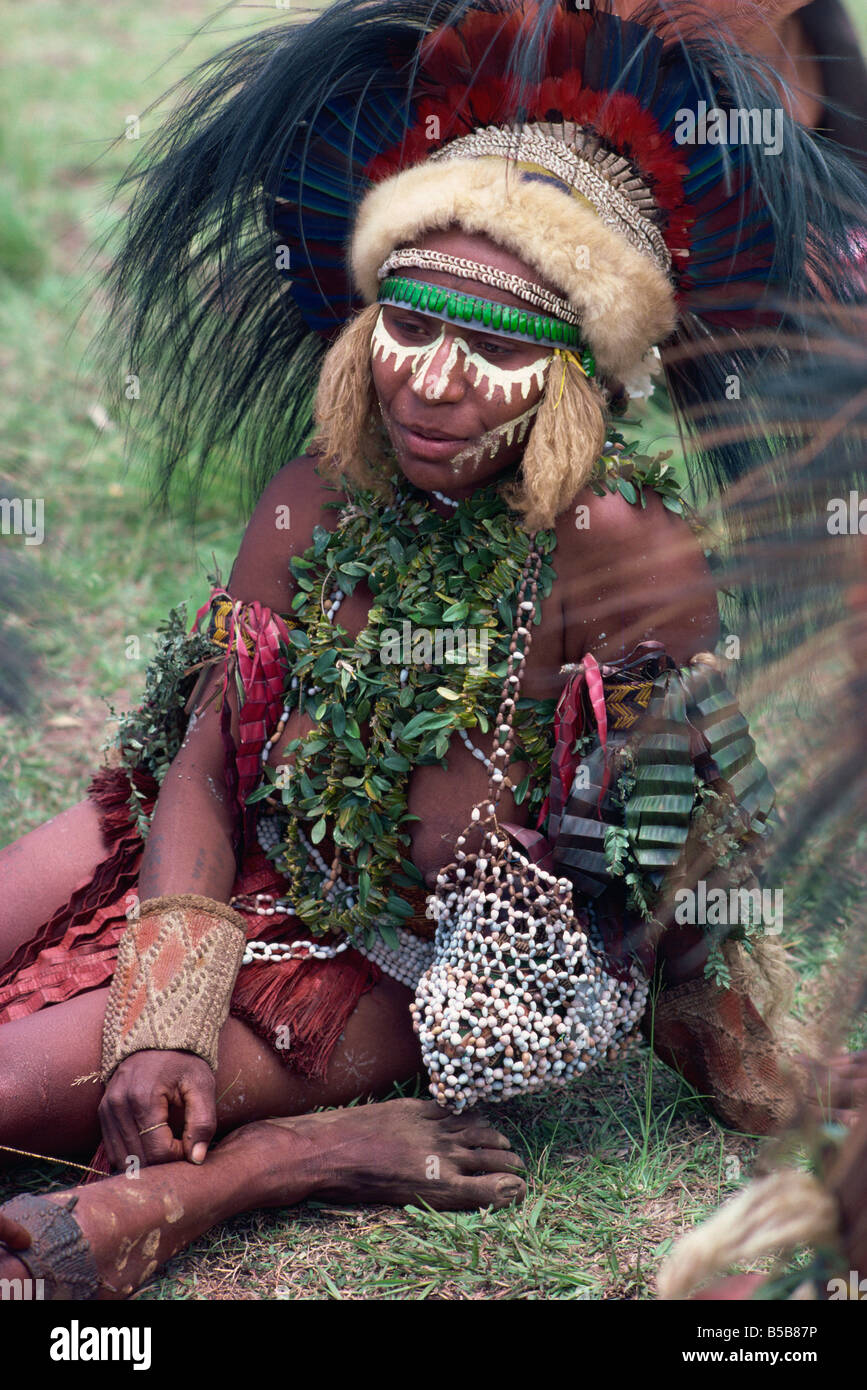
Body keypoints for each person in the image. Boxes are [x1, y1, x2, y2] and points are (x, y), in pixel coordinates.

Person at [1, 0, 864, 1301]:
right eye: (408, 322)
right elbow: (202, 765)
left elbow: (677, 851)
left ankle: (277, 1158)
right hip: (210, 853)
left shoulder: (624, 556)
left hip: (363, 974)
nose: (432, 382)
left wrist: (763, 1061)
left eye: (498, 346)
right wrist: (161, 1018)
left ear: (582, 371)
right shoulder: (309, 495)